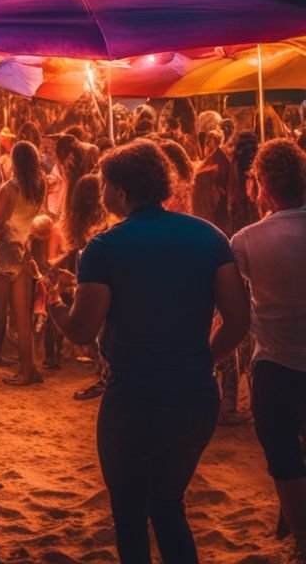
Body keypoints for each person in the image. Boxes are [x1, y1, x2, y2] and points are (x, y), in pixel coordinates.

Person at [48, 140, 250, 564]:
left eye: (104, 186)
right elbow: (237, 321)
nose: (101, 194)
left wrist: (53, 304)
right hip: (195, 397)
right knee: (168, 505)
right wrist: (203, 360)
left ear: (120, 192)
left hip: (134, 401)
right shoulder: (209, 236)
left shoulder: (103, 248)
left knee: (130, 516)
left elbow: (82, 331)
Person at [228, 138, 306, 559]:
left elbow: (235, 314)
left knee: (282, 451)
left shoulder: (245, 241)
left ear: (262, 186)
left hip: (276, 363)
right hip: (279, 361)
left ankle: (302, 539)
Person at [0, 141, 47, 385]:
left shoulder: (9, 188)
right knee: (22, 318)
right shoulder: (39, 186)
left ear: (15, 161)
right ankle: (29, 369)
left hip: (4, 254)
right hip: (24, 254)